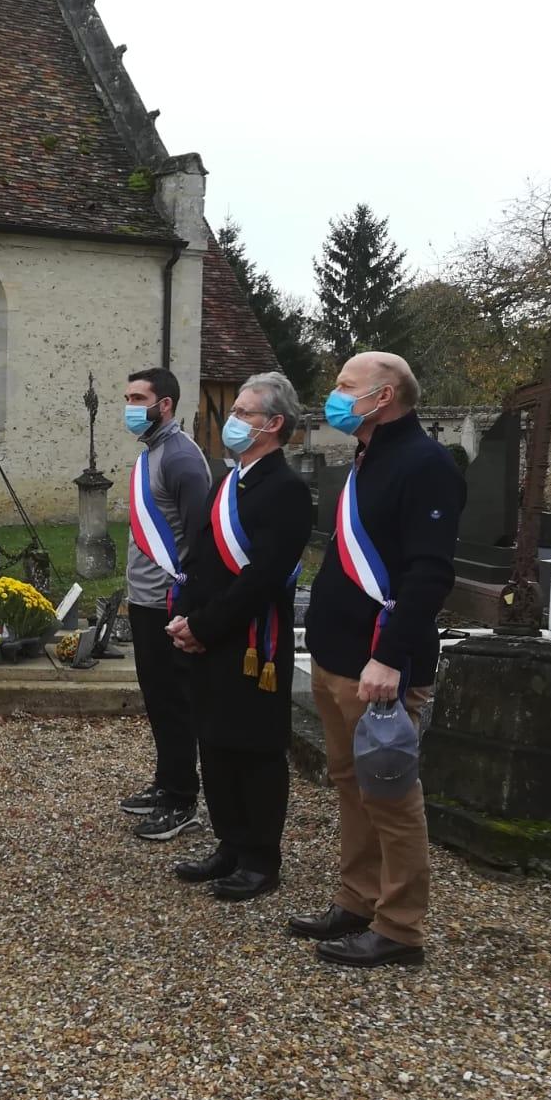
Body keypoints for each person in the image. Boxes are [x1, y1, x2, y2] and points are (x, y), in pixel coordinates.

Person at [292, 351, 464, 968]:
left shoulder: (425, 464)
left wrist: (389, 657)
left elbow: (428, 573)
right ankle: (356, 899)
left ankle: (399, 927)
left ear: (384, 395)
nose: (334, 395)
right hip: (337, 656)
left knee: (390, 796)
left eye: (346, 386)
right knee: (351, 786)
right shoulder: (367, 457)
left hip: (383, 664)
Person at [166, 372, 312, 900]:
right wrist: (185, 616)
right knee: (215, 741)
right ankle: (228, 842)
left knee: (255, 748)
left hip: (253, 641)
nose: (233, 419)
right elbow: (200, 559)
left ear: (273, 425)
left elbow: (263, 577)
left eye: (245, 412)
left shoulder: (287, 490)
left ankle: (259, 857)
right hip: (207, 634)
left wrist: (205, 626)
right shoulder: (228, 481)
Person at [118, 366, 212, 841]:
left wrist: (189, 606)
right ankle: (166, 782)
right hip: (145, 598)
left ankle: (182, 799)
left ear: (165, 405)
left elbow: (199, 536)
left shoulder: (181, 458)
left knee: (175, 702)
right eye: (129, 398)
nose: (130, 407)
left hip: (169, 602)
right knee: (157, 698)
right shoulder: (152, 453)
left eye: (139, 398)